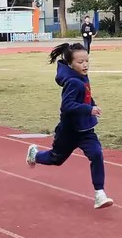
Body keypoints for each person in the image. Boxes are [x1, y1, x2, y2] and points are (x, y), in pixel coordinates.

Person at [26, 42, 112, 209]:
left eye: (87, 61)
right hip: (69, 131)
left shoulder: (83, 77)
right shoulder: (73, 82)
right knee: (56, 159)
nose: (85, 65)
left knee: (96, 154)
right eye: (80, 62)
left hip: (86, 130)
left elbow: (86, 96)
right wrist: (89, 109)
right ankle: (34, 155)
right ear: (71, 64)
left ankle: (100, 194)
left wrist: (92, 105)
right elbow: (66, 106)